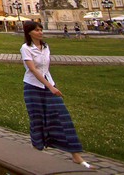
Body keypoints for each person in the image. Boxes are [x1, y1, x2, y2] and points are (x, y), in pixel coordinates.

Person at [20, 21, 92, 169]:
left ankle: (76, 155)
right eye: (37, 30)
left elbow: (45, 68)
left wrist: (51, 85)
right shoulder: (26, 48)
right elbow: (33, 70)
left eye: (41, 29)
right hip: (32, 86)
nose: (40, 32)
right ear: (29, 33)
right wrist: (50, 87)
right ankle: (36, 151)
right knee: (37, 119)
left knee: (62, 116)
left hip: (48, 84)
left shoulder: (46, 47)